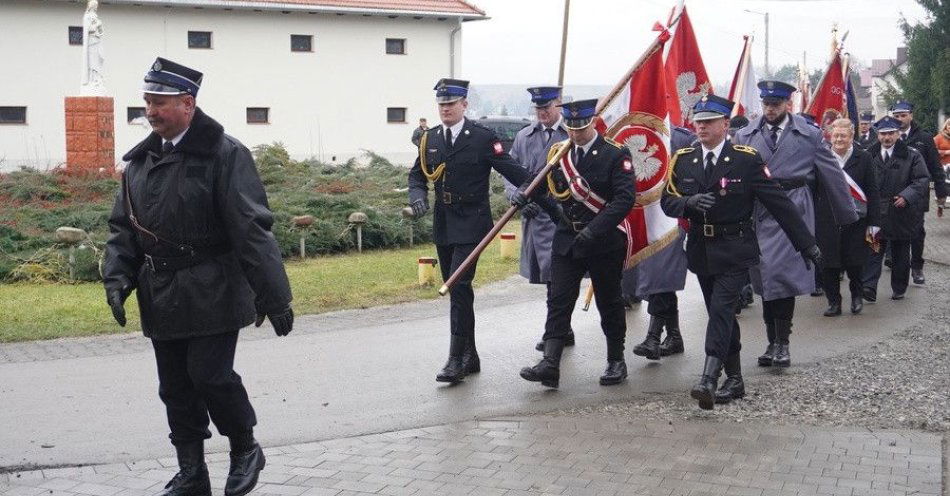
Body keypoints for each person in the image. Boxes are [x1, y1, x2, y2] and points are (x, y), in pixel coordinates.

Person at [103, 58, 293, 496]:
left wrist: (275, 296)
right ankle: (192, 473)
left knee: (210, 376)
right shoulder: (139, 163)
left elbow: (252, 229)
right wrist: (117, 279)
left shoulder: (225, 154)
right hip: (162, 294)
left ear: (188, 103)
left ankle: (245, 447)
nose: (150, 111)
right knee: (174, 386)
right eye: (147, 102)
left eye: (160, 102)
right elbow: (123, 229)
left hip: (214, 288)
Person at [661, 95, 819, 410]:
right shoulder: (683, 158)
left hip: (735, 248)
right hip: (701, 249)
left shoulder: (746, 159)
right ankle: (735, 379)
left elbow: (779, 203)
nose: (701, 126)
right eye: (698, 121)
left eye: (708, 121)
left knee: (721, 310)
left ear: (725, 124)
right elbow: (667, 201)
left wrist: (807, 244)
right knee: (720, 315)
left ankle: (709, 377)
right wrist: (687, 204)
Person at [407, 78, 529, 384]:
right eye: (442, 105)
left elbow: (515, 171)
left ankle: (454, 360)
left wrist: (534, 192)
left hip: (473, 223)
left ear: (464, 105)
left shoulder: (482, 137)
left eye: (451, 104)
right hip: (444, 223)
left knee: (458, 286)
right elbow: (416, 175)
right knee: (459, 292)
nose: (446, 109)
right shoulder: (430, 139)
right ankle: (470, 356)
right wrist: (418, 196)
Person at [733, 81, 857, 369]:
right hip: (758, 212)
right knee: (764, 280)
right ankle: (770, 341)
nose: (770, 109)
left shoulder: (809, 135)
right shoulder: (745, 134)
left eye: (776, 104)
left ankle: (782, 344)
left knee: (782, 278)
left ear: (788, 104)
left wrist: (847, 215)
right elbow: (734, 176)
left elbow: (832, 174)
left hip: (793, 210)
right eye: (766, 104)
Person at [516, 98, 635, 388]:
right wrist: (525, 196)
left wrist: (594, 231)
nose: (575, 134)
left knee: (609, 301)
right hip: (567, 238)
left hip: (604, 240)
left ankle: (616, 360)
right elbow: (540, 186)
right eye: (570, 128)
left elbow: (624, 200)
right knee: (558, 301)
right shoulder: (558, 154)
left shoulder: (615, 154)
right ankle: (550, 364)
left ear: (592, 122)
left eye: (580, 128)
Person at [502, 86, 573, 352]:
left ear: (559, 104)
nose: (542, 113)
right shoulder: (524, 136)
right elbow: (510, 173)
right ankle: (562, 328)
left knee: (559, 276)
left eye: (547, 107)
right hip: (534, 217)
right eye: (538, 108)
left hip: (561, 216)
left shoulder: (569, 135)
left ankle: (555, 329)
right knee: (548, 278)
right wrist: (519, 198)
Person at [628, 125, 695, 361]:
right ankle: (674, 336)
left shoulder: (682, 138)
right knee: (661, 278)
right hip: (644, 216)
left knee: (660, 275)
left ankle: (653, 337)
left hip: (672, 217)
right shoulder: (632, 129)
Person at [815, 118, 880, 316]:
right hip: (828, 220)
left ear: (852, 137)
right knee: (829, 264)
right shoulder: (821, 158)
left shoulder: (864, 158)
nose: (839, 139)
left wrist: (874, 223)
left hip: (856, 220)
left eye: (843, 135)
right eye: (835, 135)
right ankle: (834, 302)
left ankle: (857, 297)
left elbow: (872, 191)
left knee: (855, 263)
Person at [861, 116, 930, 301]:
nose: (887, 137)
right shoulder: (869, 155)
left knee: (900, 254)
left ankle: (899, 288)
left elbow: (922, 180)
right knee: (873, 250)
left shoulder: (912, 155)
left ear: (898, 134)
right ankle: (868, 287)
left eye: (891, 133)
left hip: (901, 213)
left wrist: (906, 196)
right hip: (875, 213)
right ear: (878, 135)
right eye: (883, 134)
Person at [890, 101, 947, 285]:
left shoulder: (924, 138)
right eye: (896, 116)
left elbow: (935, 167)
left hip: (918, 194)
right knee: (894, 229)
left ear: (911, 116)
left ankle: (917, 267)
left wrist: (941, 193)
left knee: (916, 231)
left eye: (903, 115)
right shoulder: (888, 137)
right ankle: (898, 265)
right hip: (894, 194)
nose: (900, 119)